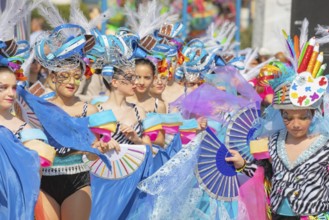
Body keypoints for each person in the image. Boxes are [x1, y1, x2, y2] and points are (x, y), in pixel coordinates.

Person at [226, 62, 329, 219]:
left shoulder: (324, 145)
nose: (295, 124)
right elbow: (262, 175)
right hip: (278, 215)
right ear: (280, 115)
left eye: (303, 117)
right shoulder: (272, 141)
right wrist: (242, 165)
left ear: (313, 114)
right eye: (288, 117)